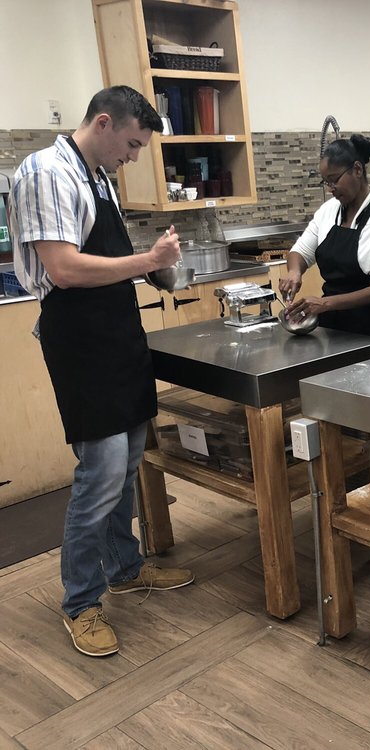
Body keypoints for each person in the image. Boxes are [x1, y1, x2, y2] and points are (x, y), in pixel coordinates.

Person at [9, 86, 194, 658]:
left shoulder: (96, 175)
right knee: (102, 471)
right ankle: (81, 601)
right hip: (81, 339)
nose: (133, 157)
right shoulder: (47, 171)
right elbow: (64, 269)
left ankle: (124, 567)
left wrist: (154, 268)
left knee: (128, 462)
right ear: (105, 123)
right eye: (133, 145)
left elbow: (106, 260)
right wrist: (148, 261)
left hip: (118, 333)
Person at [281, 135, 370, 351]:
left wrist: (325, 303)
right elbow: (300, 252)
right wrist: (294, 272)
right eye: (326, 182)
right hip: (335, 327)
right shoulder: (328, 211)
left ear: (357, 170)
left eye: (334, 180)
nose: (330, 188)